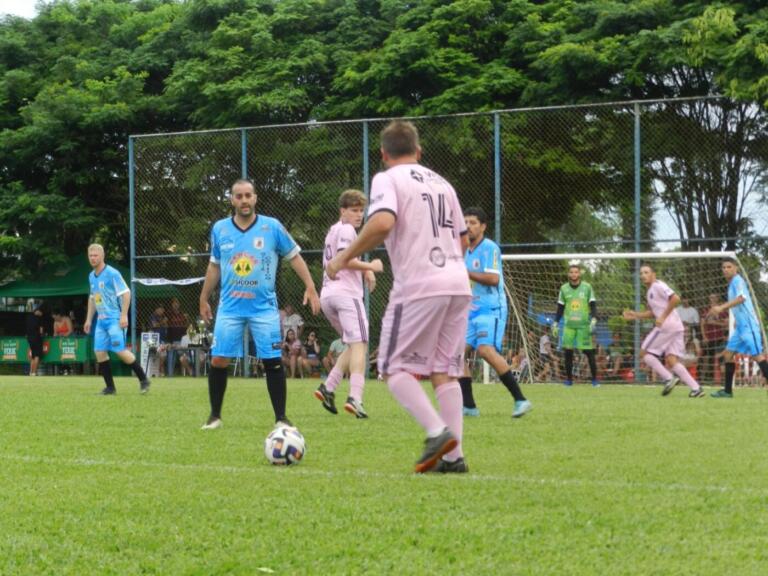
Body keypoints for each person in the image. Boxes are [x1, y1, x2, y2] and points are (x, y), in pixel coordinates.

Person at [327, 120, 471, 474]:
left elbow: (382, 223)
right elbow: (464, 240)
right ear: (419, 151)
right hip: (458, 283)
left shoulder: (387, 178)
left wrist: (343, 259)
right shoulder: (443, 183)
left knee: (392, 367)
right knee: (445, 371)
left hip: (420, 285)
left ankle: (436, 433)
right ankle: (454, 458)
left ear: (383, 154)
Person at [198, 179, 320, 429]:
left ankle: (281, 418)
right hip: (230, 308)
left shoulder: (272, 227)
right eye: (239, 196)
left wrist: (310, 285)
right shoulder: (220, 229)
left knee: (272, 361)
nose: (244, 200)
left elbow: (294, 257)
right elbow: (214, 266)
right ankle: (214, 417)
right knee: (219, 360)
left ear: (255, 198)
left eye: (248, 195)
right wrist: (203, 297)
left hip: (263, 308)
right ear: (232, 200)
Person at [315, 188, 383, 419]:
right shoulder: (346, 229)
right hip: (346, 295)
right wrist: (371, 266)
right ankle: (355, 397)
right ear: (342, 211)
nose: (359, 215)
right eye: (354, 210)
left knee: (354, 345)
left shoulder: (333, 230)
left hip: (328, 295)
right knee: (361, 344)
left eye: (361, 211)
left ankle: (328, 387)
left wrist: (365, 272)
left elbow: (344, 258)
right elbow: (344, 260)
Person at [458, 206, 531, 418]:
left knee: (485, 350)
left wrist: (465, 272)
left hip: (491, 309)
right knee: (456, 355)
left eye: (473, 223)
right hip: (470, 310)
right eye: (465, 222)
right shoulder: (463, 250)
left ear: (483, 226)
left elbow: (493, 278)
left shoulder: (490, 248)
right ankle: (469, 406)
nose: (468, 226)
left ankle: (521, 400)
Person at [622, 263, 704, 397]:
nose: (643, 275)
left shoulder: (658, 285)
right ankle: (696, 388)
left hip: (667, 326)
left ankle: (668, 378)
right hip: (676, 327)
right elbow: (653, 312)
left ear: (653, 274)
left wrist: (663, 317)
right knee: (672, 360)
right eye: (641, 273)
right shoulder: (649, 292)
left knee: (644, 353)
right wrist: (635, 315)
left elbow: (675, 298)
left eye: (646, 272)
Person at [83, 243, 150, 394]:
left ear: (102, 256)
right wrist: (89, 319)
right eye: (90, 256)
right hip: (101, 321)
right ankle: (110, 387)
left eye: (95, 255)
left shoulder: (112, 273)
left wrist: (123, 315)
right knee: (99, 352)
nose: (93, 258)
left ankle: (143, 379)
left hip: (114, 319)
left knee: (119, 351)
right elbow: (93, 298)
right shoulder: (91, 276)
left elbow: (126, 293)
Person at [708, 258, 768, 398]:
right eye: (724, 267)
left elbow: (741, 298)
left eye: (729, 267)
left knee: (757, 355)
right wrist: (735, 320)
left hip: (748, 325)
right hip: (741, 327)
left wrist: (721, 307)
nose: (726, 269)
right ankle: (727, 391)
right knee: (728, 355)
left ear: (736, 268)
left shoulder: (738, 280)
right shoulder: (731, 284)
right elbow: (739, 305)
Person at [552, 264, 599, 387]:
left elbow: (593, 305)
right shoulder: (563, 288)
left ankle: (595, 380)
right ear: (569, 274)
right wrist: (555, 322)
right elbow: (560, 308)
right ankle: (569, 380)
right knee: (568, 353)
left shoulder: (587, 287)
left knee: (589, 352)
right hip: (569, 327)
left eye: (576, 272)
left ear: (579, 274)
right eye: (571, 272)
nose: (574, 274)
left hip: (584, 326)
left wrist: (594, 318)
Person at [700, 293, 728, 384]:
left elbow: (726, 324)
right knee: (707, 358)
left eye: (714, 297)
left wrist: (714, 322)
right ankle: (705, 379)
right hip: (709, 338)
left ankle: (724, 380)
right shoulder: (706, 310)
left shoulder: (722, 310)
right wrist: (704, 336)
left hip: (720, 337)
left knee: (721, 358)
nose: (712, 299)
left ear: (717, 298)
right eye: (711, 297)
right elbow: (703, 323)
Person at [26, 305, 44, 376]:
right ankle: (34, 372)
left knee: (33, 356)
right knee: (37, 356)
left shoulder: (29, 317)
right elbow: (41, 331)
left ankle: (30, 372)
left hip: (30, 338)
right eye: (41, 312)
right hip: (37, 338)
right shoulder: (39, 318)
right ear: (38, 311)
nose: (42, 314)